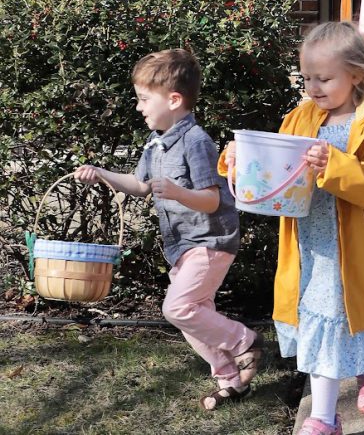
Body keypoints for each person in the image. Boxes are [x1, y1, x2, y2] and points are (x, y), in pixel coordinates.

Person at [222, 22, 364, 435]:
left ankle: (324, 418)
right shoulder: (303, 116)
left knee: (333, 316)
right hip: (308, 243)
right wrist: (238, 157)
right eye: (306, 77)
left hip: (350, 245)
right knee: (333, 317)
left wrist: (336, 165)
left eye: (324, 78)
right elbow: (277, 164)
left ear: (356, 74)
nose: (313, 87)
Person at [75, 49, 263, 411]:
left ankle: (244, 341)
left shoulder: (196, 143)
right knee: (195, 312)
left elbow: (212, 200)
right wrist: (99, 172)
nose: (139, 107)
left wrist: (178, 192)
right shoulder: (156, 141)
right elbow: (140, 184)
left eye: (144, 99)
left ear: (174, 99)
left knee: (178, 308)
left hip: (209, 241)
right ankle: (231, 380)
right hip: (181, 244)